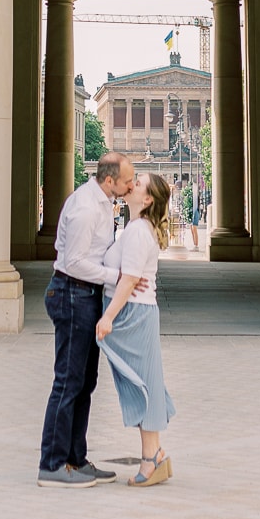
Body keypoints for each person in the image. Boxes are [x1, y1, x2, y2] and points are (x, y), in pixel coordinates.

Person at [38, 150, 136, 490]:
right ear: (109, 180)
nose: (131, 185)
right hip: (71, 293)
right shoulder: (84, 208)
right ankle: (52, 464)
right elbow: (74, 262)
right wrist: (117, 276)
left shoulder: (103, 202)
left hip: (85, 296)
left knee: (84, 383)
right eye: (127, 181)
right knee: (67, 382)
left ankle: (75, 459)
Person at [96, 172, 176, 488]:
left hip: (134, 314)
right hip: (135, 313)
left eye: (139, 183)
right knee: (143, 382)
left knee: (143, 384)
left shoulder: (139, 232)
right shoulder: (133, 229)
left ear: (147, 200)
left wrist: (108, 318)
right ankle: (154, 454)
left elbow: (130, 280)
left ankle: (151, 458)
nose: (132, 184)